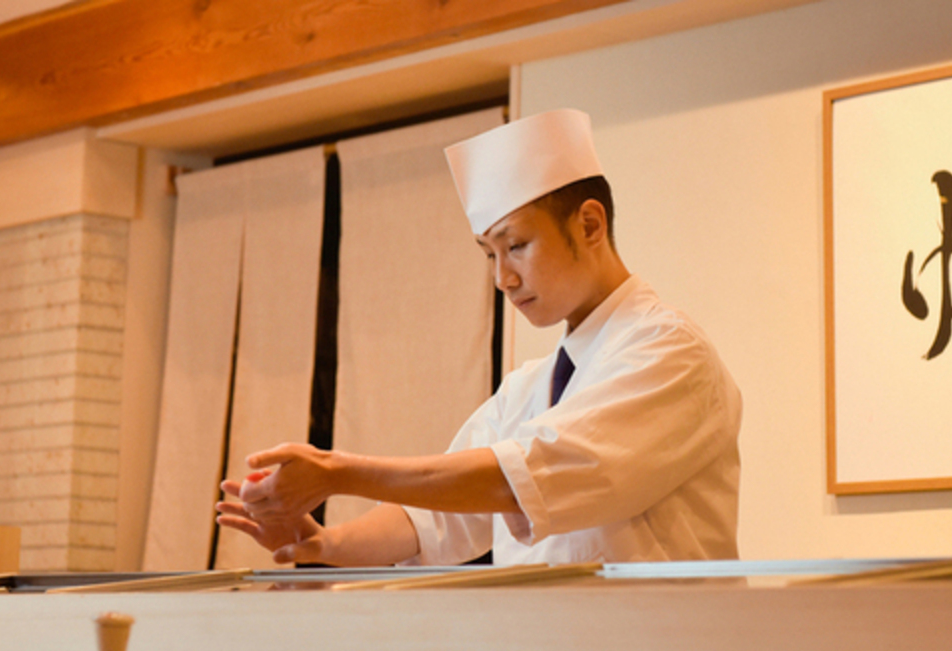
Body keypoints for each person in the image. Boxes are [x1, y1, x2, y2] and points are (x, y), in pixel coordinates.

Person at [216, 108, 742, 567]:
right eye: (489, 254)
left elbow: (518, 478)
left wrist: (335, 471)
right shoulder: (528, 387)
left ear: (589, 225)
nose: (502, 279)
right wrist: (326, 543)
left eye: (515, 245)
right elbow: (435, 519)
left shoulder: (668, 351)